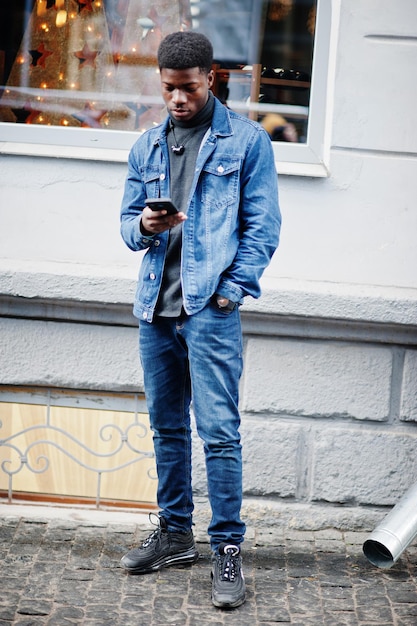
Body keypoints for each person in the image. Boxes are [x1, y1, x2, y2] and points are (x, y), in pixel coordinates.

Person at [119, 31, 281, 609]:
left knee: (219, 435)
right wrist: (145, 227)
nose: (177, 100)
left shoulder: (246, 143)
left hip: (210, 310)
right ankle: (176, 535)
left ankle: (227, 550)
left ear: (209, 78)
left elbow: (263, 228)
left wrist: (231, 292)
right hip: (155, 312)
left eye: (187, 88)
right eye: (168, 89)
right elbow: (124, 226)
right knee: (166, 428)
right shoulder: (147, 146)